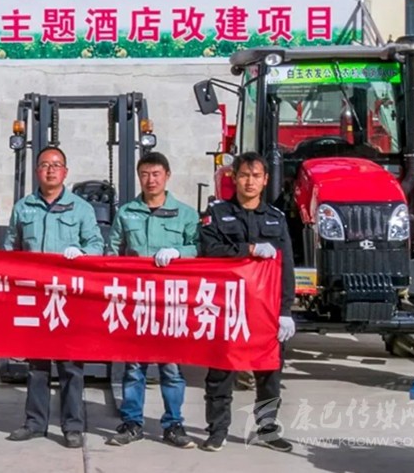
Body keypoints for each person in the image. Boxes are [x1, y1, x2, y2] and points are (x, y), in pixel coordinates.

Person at [3, 146, 105, 449]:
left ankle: (73, 426)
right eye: (45, 165)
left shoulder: (81, 209)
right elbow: (10, 249)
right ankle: (35, 423)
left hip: (68, 298)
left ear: (65, 172)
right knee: (37, 365)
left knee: (70, 365)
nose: (50, 170)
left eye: (56, 165)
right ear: (37, 171)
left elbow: (97, 245)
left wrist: (82, 253)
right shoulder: (23, 208)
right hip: (34, 296)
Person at [198, 152, 296, 453]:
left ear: (265, 180)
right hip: (227, 308)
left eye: (256, 176)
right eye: (244, 175)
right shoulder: (217, 213)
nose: (249, 182)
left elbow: (286, 268)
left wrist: (285, 311)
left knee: (269, 373)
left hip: (265, 310)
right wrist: (248, 249)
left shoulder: (276, 218)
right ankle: (217, 430)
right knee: (220, 372)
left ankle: (267, 429)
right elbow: (209, 249)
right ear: (234, 178)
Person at [105, 151, 198, 449]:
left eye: (156, 174)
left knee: (171, 367)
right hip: (136, 301)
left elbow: (199, 248)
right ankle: (132, 423)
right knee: (134, 367)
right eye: (145, 174)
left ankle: (174, 424)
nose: (151, 180)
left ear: (167, 176)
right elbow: (112, 252)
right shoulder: (126, 213)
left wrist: (179, 252)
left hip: (170, 302)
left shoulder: (185, 214)